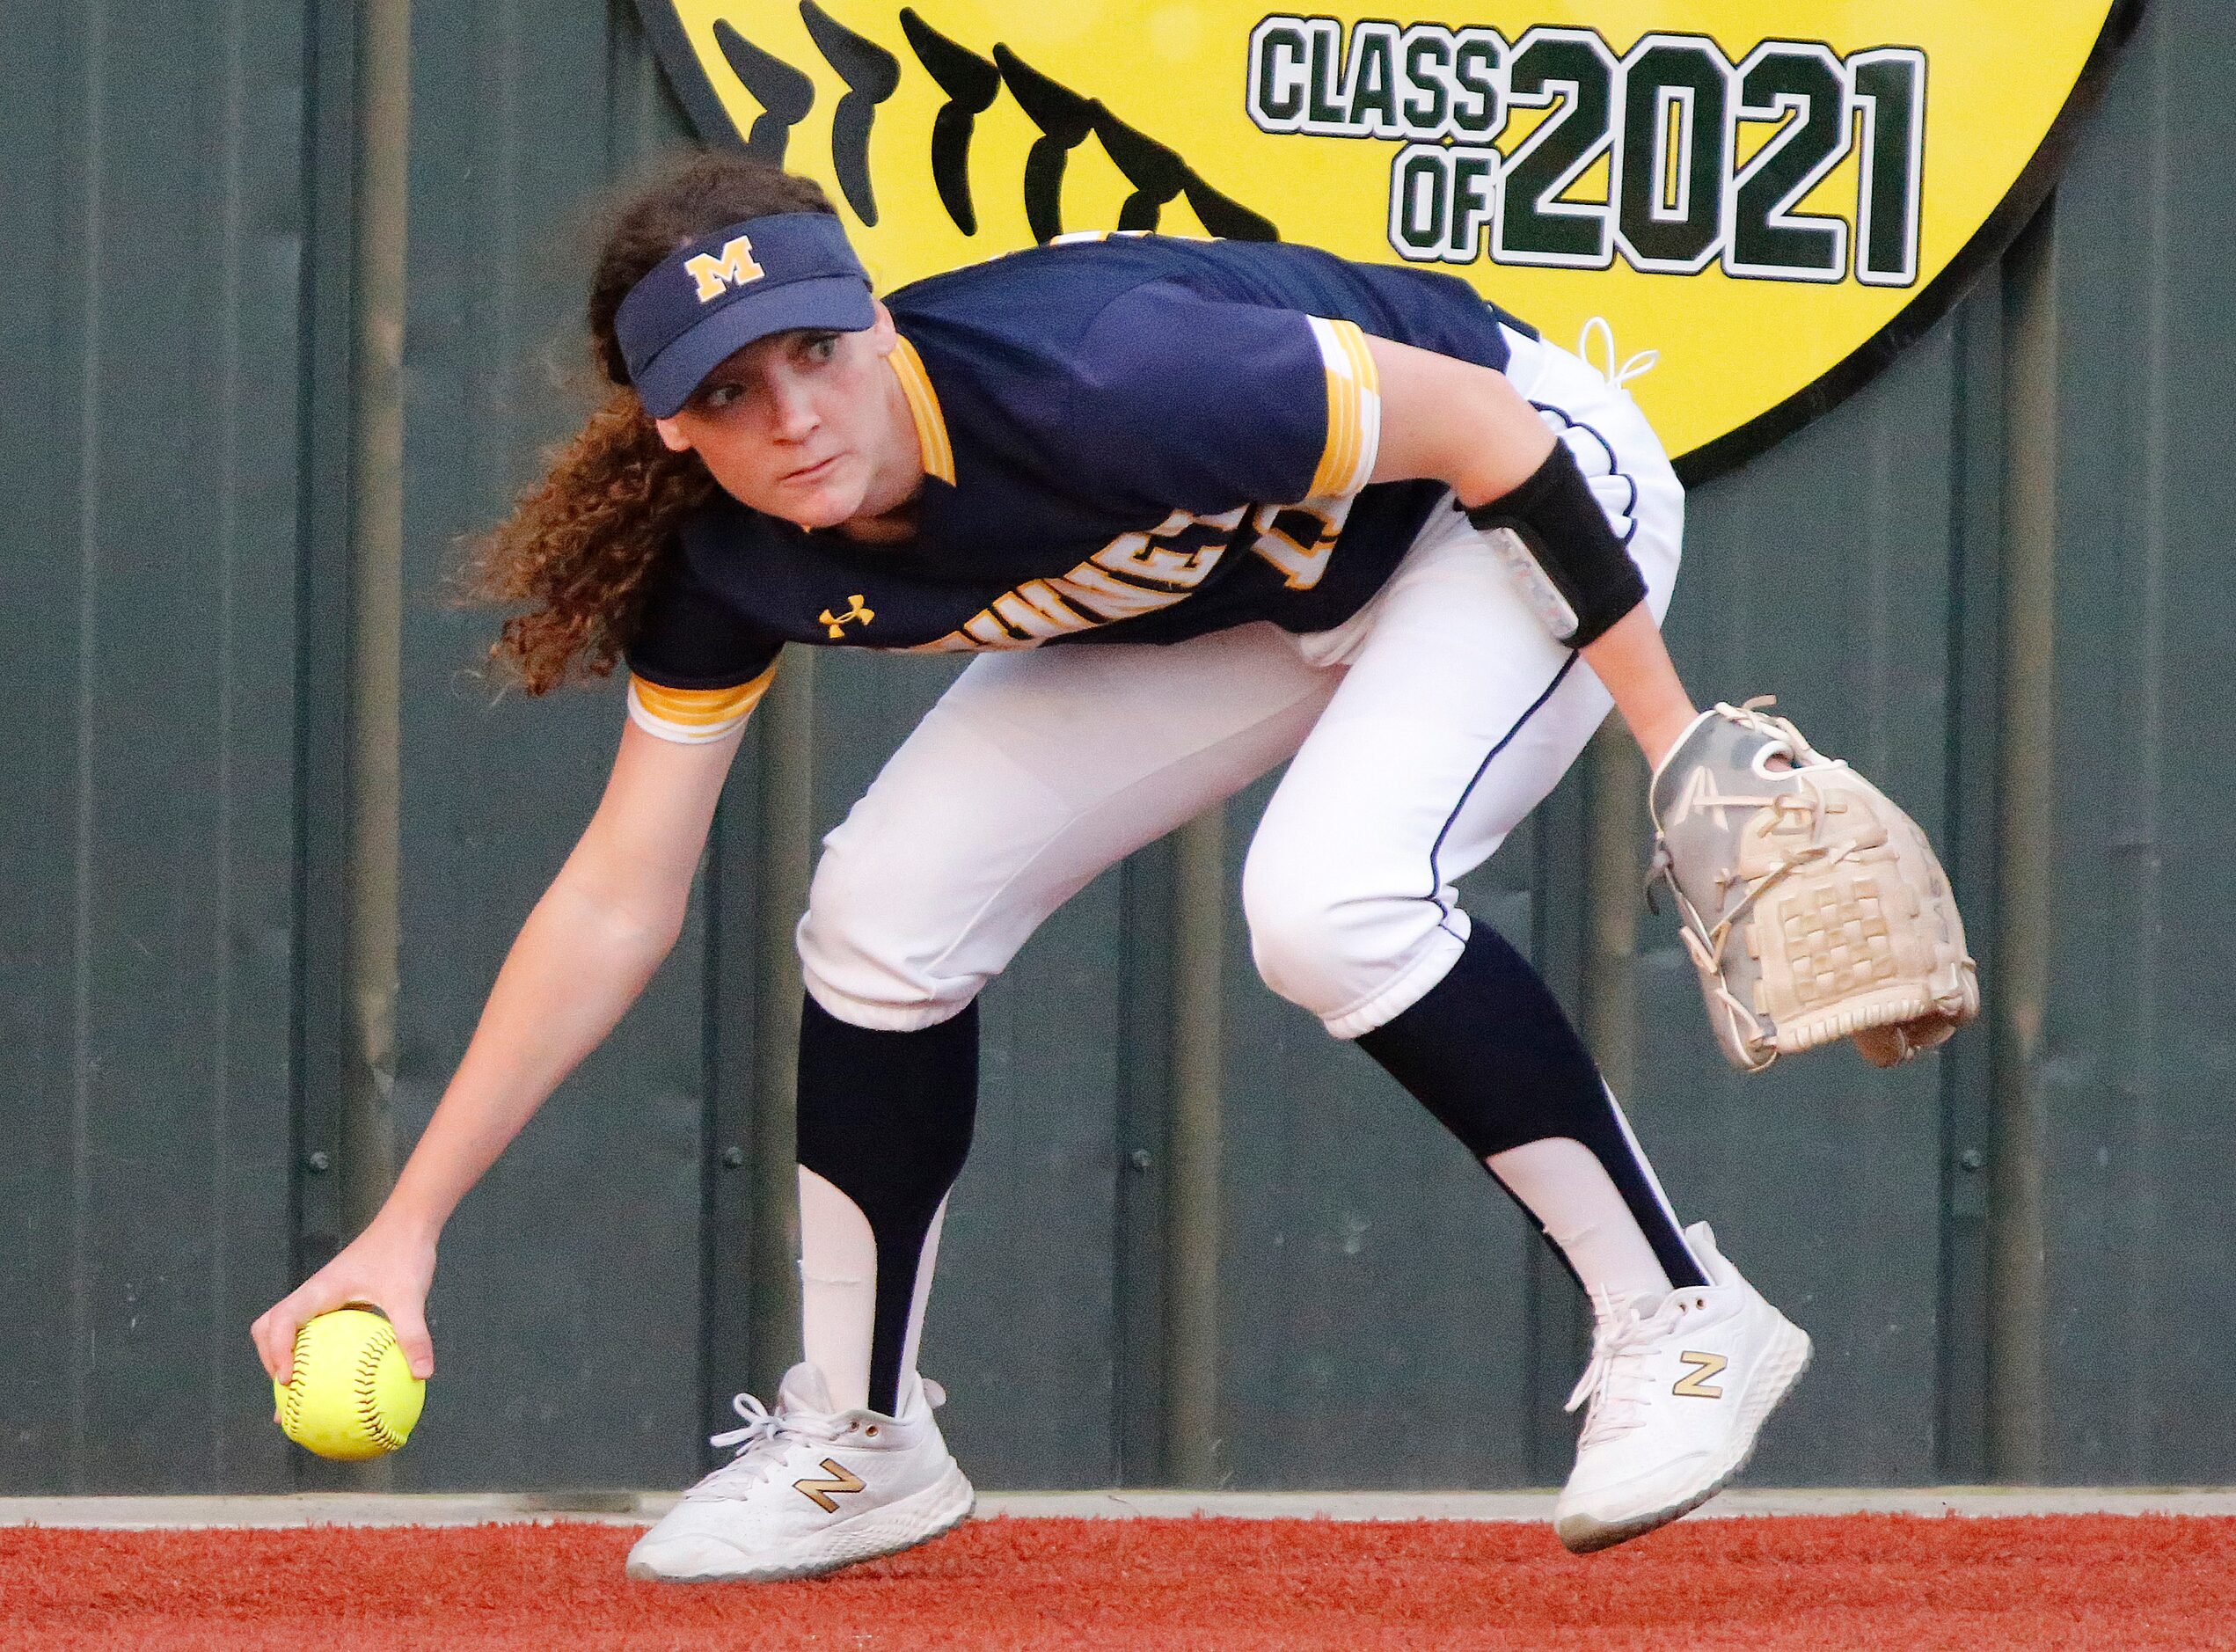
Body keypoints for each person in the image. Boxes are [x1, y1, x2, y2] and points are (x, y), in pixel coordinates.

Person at [250, 150, 1811, 1577]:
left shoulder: (1098, 371)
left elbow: (1487, 432)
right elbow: (617, 891)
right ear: (666, 422)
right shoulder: (730, 558)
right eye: (729, 390)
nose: (793, 413)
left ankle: (1681, 1309)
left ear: (874, 321)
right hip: (1235, 589)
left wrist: (1676, 750)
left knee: (1327, 902)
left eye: (814, 350)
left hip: (1495, 501)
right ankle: (863, 1439)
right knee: (878, 917)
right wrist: (408, 1223)